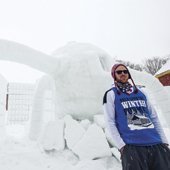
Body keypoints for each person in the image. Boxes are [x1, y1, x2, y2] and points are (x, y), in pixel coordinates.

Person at [103, 63, 170, 170]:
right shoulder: (111, 94)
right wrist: (122, 146)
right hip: (132, 147)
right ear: (113, 75)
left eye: (125, 71)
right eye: (119, 72)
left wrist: (164, 141)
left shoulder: (141, 92)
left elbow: (154, 117)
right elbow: (110, 121)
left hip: (156, 144)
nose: (123, 74)